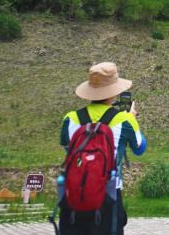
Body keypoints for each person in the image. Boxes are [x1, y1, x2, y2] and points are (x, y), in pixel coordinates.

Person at [59, 62, 146, 235]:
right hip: (109, 197)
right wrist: (132, 118)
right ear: (114, 91)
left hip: (74, 196)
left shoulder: (70, 119)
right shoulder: (124, 120)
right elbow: (140, 148)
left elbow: (69, 151)